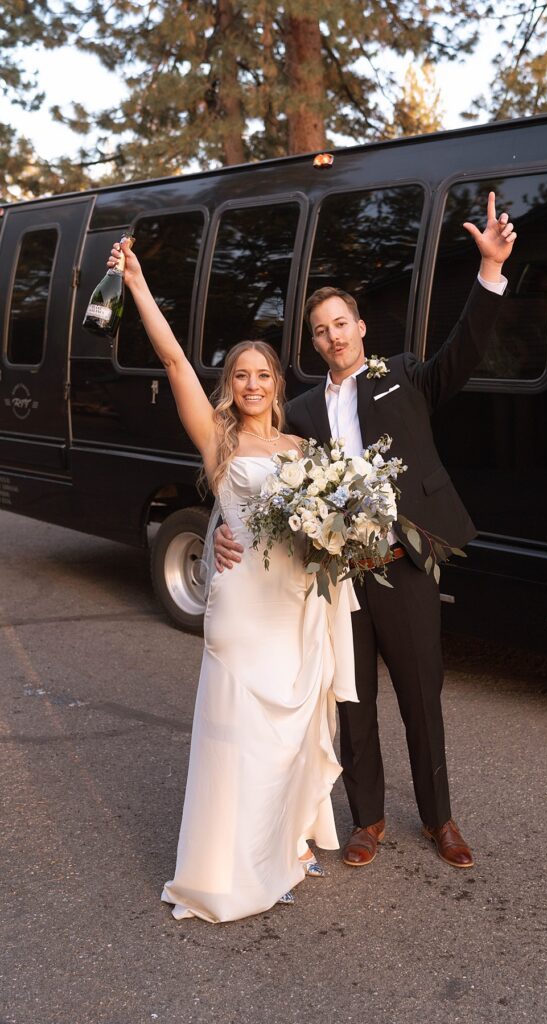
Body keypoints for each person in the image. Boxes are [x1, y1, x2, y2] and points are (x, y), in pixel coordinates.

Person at [215, 191, 516, 870]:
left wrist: (489, 272)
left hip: (402, 561)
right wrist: (221, 531)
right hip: (337, 578)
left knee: (420, 698)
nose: (333, 337)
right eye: (320, 331)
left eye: (340, 323)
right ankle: (367, 820)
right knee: (352, 701)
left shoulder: (401, 376)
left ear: (359, 327)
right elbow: (242, 460)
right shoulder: (296, 411)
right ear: (313, 342)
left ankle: (440, 820)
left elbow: (460, 355)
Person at [108, 241, 359, 922]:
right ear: (232, 386)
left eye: (262, 375)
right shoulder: (219, 439)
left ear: (278, 385)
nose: (251, 384)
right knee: (238, 734)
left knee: (283, 739)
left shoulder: (305, 452)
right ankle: (224, 867)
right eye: (240, 375)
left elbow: (325, 524)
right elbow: (172, 361)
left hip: (293, 608)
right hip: (241, 606)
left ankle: (278, 850)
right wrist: (136, 284)